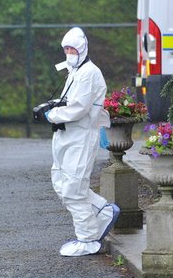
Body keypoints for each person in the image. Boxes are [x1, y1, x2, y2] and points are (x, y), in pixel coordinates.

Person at [45, 27, 120, 257]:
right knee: (61, 181)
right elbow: (70, 100)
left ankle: (87, 238)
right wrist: (53, 106)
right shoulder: (75, 70)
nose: (69, 53)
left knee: (74, 189)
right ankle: (103, 211)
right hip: (66, 135)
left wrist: (52, 115)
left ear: (82, 48)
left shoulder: (89, 72)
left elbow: (79, 107)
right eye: (66, 49)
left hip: (80, 136)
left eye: (72, 49)